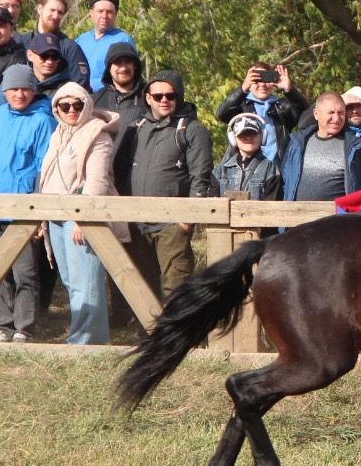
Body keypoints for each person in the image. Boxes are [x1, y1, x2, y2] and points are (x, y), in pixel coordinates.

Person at [113, 70, 215, 300]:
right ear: (147, 97)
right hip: (137, 220)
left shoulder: (191, 129)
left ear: (179, 96)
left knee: (176, 284)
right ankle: (149, 332)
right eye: (158, 96)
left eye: (170, 95)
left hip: (172, 222)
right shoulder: (136, 127)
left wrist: (187, 219)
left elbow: (201, 175)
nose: (164, 101)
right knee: (143, 284)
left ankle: (180, 334)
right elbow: (120, 170)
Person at [37, 82, 127, 344]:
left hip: (79, 217)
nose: (71, 110)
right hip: (55, 215)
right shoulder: (58, 134)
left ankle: (87, 341)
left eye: (77, 105)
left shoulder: (98, 134)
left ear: (87, 105)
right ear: (57, 109)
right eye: (65, 106)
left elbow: (97, 181)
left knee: (86, 281)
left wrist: (83, 219)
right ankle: (83, 335)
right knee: (70, 280)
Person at [0, 64, 56, 342]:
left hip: (24, 208)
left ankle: (24, 327)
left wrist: (38, 211)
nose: (19, 94)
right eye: (13, 89)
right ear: (5, 91)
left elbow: (45, 167)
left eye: (25, 88)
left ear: (33, 90)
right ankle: (2, 325)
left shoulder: (43, 120)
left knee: (25, 272)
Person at [282, 92, 361, 201]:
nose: (336, 119)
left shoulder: (357, 146)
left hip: (338, 216)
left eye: (341, 113)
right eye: (331, 113)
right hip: (298, 215)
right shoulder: (297, 143)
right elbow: (286, 180)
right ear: (316, 114)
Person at [214, 62, 307, 163]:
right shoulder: (240, 107)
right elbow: (222, 113)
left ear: (273, 82)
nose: (262, 84)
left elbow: (305, 114)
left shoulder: (282, 108)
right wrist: (242, 88)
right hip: (248, 170)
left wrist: (289, 90)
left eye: (266, 79)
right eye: (257, 80)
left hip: (278, 171)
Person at [20, 0, 89, 88]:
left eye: (60, 12)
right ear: (40, 9)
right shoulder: (22, 42)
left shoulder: (70, 48)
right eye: (52, 10)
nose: (56, 16)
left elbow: (81, 85)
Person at [75, 0, 136, 92]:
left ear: (115, 14)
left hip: (109, 97)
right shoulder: (81, 40)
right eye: (100, 11)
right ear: (91, 13)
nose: (104, 16)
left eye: (109, 12)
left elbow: (130, 74)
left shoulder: (122, 40)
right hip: (80, 96)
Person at [215, 112, 283, 201]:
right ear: (233, 139)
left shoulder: (271, 170)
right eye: (242, 134)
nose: (248, 138)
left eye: (253, 133)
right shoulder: (219, 171)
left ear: (262, 137)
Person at [92, 41, 148, 129]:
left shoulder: (150, 96)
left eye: (127, 62)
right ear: (109, 67)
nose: (123, 68)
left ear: (135, 66)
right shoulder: (96, 100)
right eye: (118, 62)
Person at [26, 31, 75, 99]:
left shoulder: (69, 89)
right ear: (30, 55)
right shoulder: (19, 85)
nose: (50, 61)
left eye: (55, 56)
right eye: (44, 55)